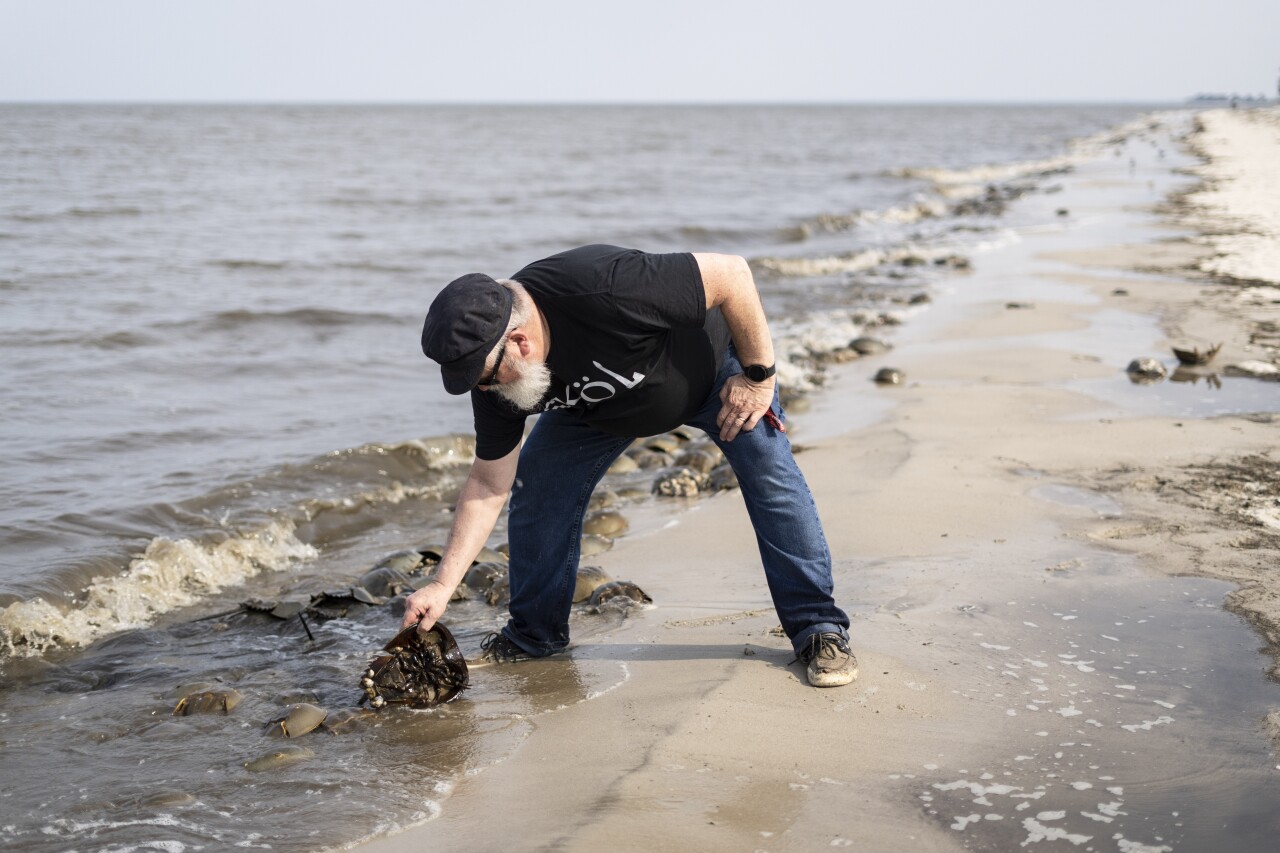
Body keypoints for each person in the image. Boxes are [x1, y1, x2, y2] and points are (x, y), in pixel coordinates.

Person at [401, 245, 855, 688]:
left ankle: (818, 629)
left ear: (519, 342)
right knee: (538, 484)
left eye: (482, 377)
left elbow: (731, 274)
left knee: (769, 475)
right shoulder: (497, 381)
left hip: (715, 378)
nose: (482, 391)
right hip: (598, 411)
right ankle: (534, 636)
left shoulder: (606, 286)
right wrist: (442, 585)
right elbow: (486, 483)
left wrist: (759, 377)